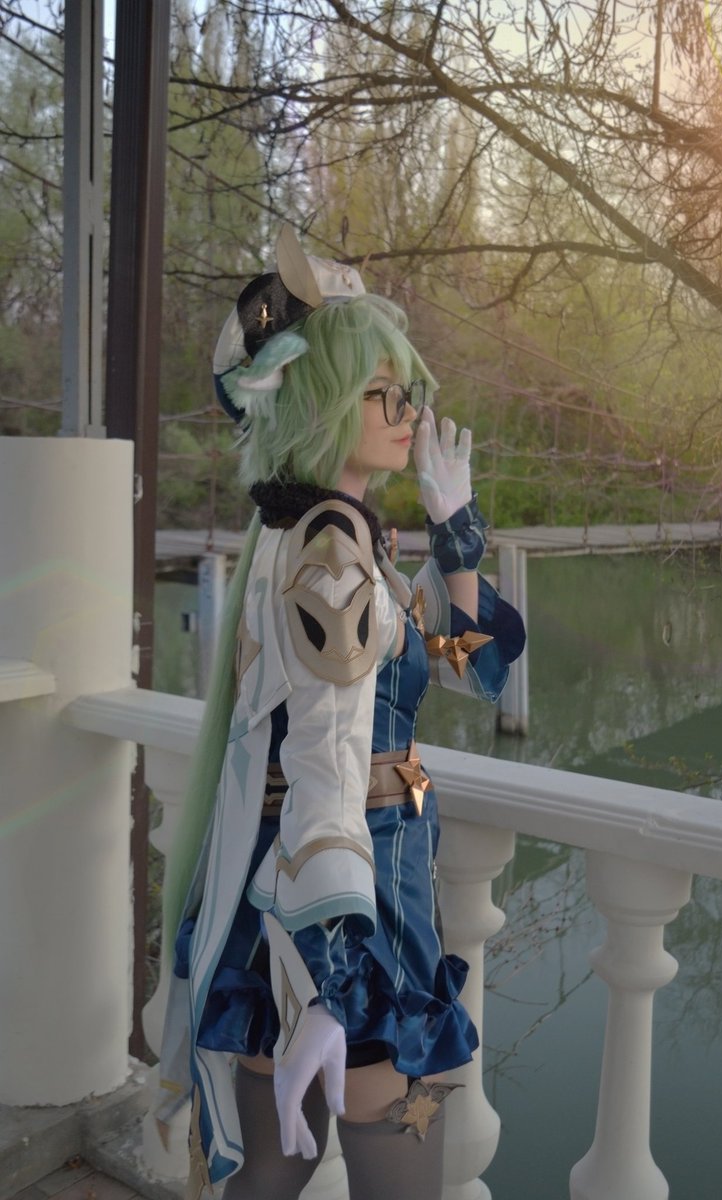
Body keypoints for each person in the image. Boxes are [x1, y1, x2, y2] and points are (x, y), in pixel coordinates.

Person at [155, 226, 526, 1200]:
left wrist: (455, 538)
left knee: (267, 1179)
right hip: (354, 906)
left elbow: (461, 664)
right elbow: (326, 760)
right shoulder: (334, 552)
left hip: (287, 893)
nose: (410, 416)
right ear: (323, 399)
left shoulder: (305, 532)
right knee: (389, 1179)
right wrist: (333, 978)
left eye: (410, 394)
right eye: (384, 393)